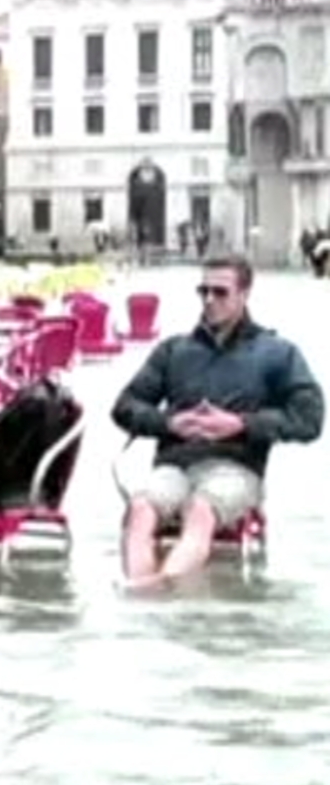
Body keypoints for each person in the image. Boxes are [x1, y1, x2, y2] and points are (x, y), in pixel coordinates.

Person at [111, 253, 324, 591]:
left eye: (220, 292)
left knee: (200, 510)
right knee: (140, 508)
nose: (209, 300)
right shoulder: (174, 350)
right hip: (174, 467)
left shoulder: (277, 353)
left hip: (236, 468)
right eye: (203, 291)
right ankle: (144, 595)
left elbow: (310, 419)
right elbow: (124, 406)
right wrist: (169, 423)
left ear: (244, 294)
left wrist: (242, 424)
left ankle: (162, 588)